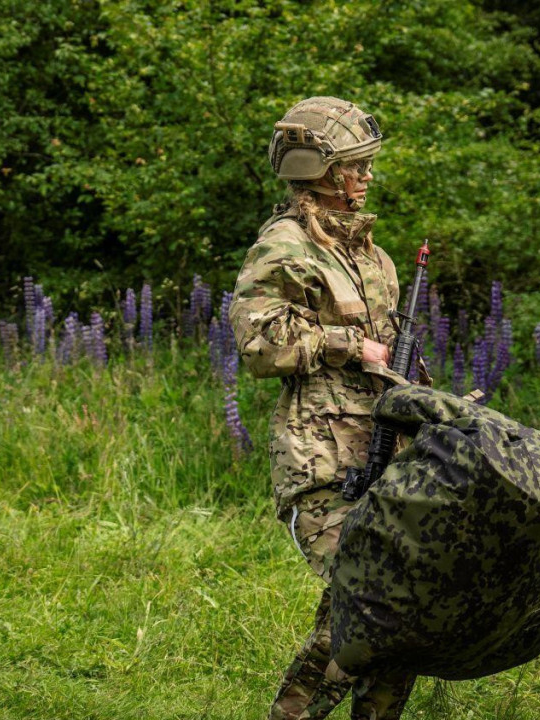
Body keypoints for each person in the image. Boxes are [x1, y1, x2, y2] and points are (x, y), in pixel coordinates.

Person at [229, 97, 417, 720]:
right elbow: (258, 345)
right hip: (321, 461)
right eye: (355, 166)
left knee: (388, 613)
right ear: (323, 171)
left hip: (385, 454)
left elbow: (387, 357)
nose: (366, 178)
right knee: (371, 601)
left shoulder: (373, 258)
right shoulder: (284, 247)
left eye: (366, 166)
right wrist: (344, 343)